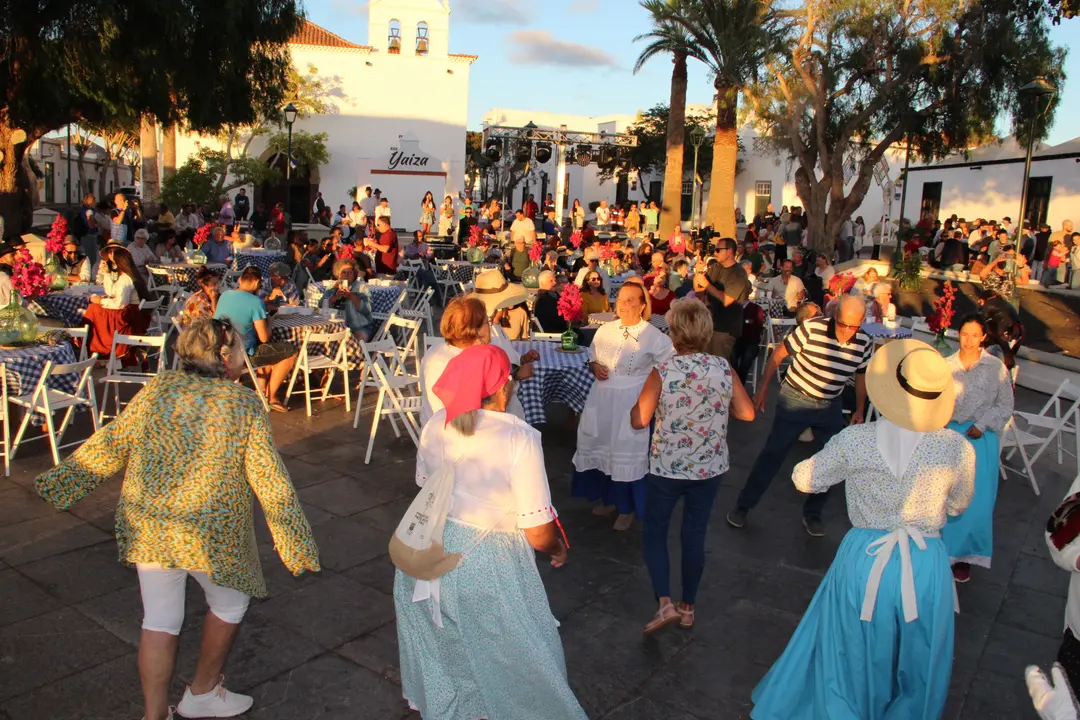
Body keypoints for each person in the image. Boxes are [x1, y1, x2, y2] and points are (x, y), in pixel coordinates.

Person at [34, 318, 320, 720]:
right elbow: (269, 479)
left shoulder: (158, 389)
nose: (245, 356)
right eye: (240, 349)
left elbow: (111, 444)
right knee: (231, 602)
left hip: (152, 522)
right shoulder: (242, 404)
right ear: (224, 357)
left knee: (160, 620)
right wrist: (294, 542)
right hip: (212, 533)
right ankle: (202, 692)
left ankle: (156, 716)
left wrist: (62, 482)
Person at [750, 339, 975, 720]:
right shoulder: (957, 447)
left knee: (852, 649)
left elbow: (804, 478)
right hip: (926, 561)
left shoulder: (857, 441)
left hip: (866, 559)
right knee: (922, 656)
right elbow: (958, 504)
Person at [395, 344, 585, 720]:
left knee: (446, 654)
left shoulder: (436, 423)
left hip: (424, 556)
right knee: (517, 659)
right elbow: (536, 529)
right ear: (503, 388)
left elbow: (424, 482)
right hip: (485, 566)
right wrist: (557, 548)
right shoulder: (518, 437)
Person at [631, 300, 754, 633]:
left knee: (655, 531)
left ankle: (664, 604)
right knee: (694, 535)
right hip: (709, 467)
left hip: (667, 468)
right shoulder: (723, 368)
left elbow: (640, 419)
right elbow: (748, 413)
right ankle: (688, 608)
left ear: (673, 333)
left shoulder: (664, 371)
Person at [728, 296, 873, 536]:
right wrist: (763, 388)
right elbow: (778, 354)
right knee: (773, 454)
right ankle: (743, 506)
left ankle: (813, 513)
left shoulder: (865, 342)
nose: (847, 331)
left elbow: (860, 375)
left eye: (854, 326)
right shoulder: (812, 329)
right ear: (835, 316)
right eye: (843, 324)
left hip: (830, 404)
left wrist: (859, 407)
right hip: (797, 396)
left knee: (832, 460)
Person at [572, 283, 675, 531]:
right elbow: (592, 357)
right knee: (602, 446)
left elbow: (669, 367)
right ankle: (609, 499)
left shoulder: (653, 336)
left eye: (631, 300)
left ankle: (627, 508)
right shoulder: (605, 329)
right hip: (602, 397)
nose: (624, 304)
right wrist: (594, 367)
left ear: (642, 305)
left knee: (626, 452)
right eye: (621, 299)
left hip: (632, 399)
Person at [941, 314, 1014, 583]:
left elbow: (1006, 404)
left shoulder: (995, 367)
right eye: (964, 334)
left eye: (975, 334)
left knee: (976, 499)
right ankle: (940, 551)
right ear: (957, 334)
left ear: (983, 337)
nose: (969, 340)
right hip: (948, 434)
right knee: (943, 492)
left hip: (979, 437)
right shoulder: (946, 365)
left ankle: (964, 556)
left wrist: (982, 425)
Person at [213, 266, 297, 412]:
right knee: (290, 351)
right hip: (242, 356)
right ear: (257, 282)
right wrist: (269, 321)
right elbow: (264, 337)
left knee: (270, 351)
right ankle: (271, 397)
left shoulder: (225, 295)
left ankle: (261, 390)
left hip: (219, 351)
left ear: (240, 279)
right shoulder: (254, 301)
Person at [419, 297, 490, 426]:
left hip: (437, 429)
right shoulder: (462, 362)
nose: (490, 327)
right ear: (475, 329)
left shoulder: (437, 350)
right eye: (487, 322)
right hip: (454, 434)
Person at [84, 244, 152, 365]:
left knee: (94, 310)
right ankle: (92, 347)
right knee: (95, 309)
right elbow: (111, 292)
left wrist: (100, 301)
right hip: (132, 311)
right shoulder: (128, 275)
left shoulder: (126, 278)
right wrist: (106, 274)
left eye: (113, 254)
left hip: (129, 314)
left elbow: (119, 303)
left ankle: (96, 348)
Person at [698, 237, 751, 360]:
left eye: (718, 250)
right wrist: (699, 273)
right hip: (709, 325)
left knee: (719, 365)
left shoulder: (738, 273)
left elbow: (727, 300)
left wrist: (707, 285)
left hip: (725, 328)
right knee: (704, 364)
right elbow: (698, 288)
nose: (715, 253)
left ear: (730, 251)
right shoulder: (716, 267)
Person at [321, 258, 374, 342]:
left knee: (357, 341)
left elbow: (368, 309)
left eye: (350, 272)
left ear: (354, 275)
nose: (347, 275)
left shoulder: (361, 287)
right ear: (338, 274)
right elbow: (321, 305)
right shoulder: (332, 286)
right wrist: (334, 298)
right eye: (344, 272)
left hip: (358, 327)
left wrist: (352, 296)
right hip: (336, 326)